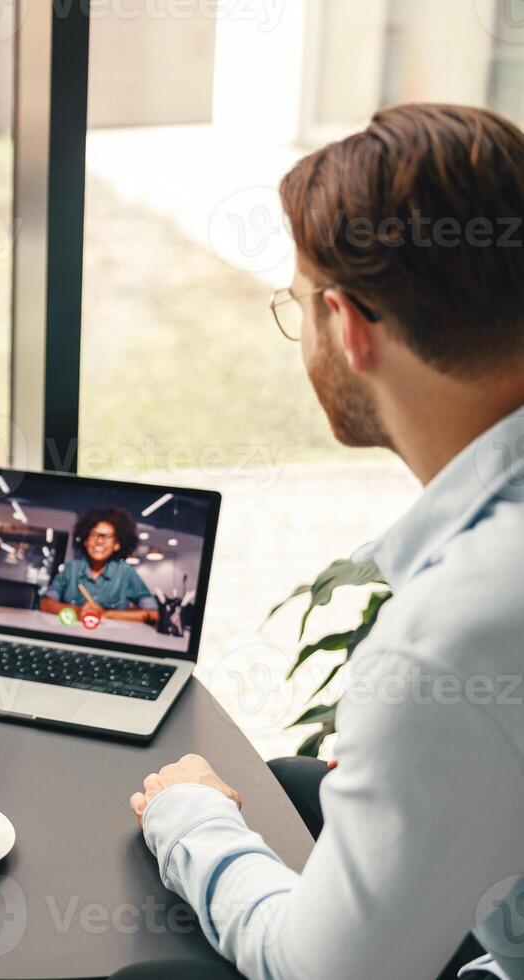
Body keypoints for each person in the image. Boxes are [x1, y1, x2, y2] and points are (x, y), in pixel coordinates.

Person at [116, 103, 524, 980]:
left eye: (295, 304)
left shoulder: (453, 638)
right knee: (291, 783)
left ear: (348, 326)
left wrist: (192, 821)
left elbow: (321, 973)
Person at [38, 506, 159, 624]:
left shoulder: (126, 573)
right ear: (86, 541)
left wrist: (106, 614)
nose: (99, 541)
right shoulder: (71, 569)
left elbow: (153, 613)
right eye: (94, 535)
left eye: (107, 537)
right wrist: (77, 611)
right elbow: (45, 604)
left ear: (117, 544)